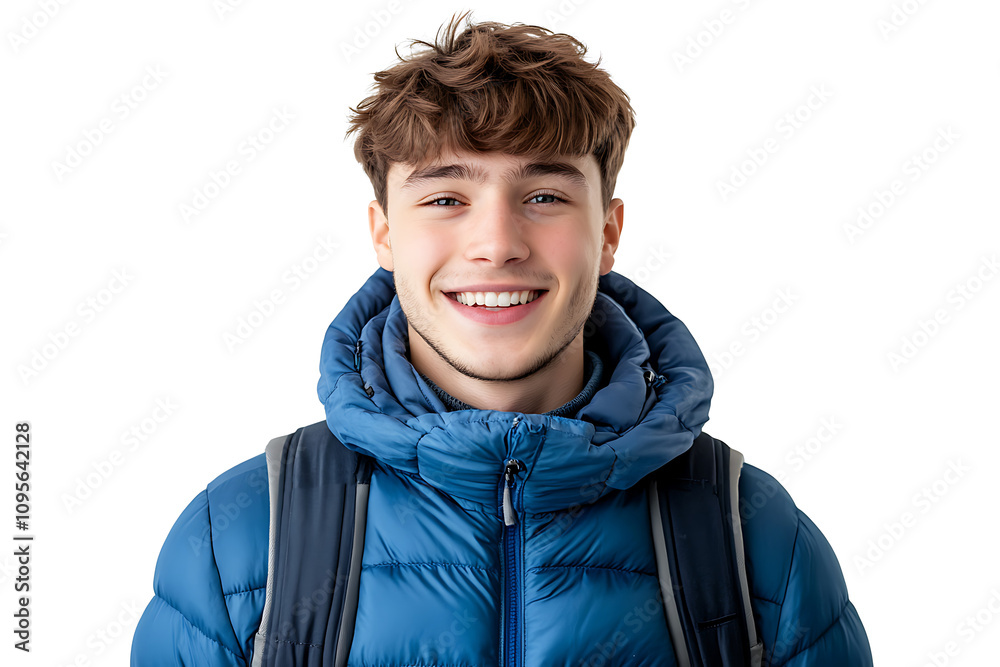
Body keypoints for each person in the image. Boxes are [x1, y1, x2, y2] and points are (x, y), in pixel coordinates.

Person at [131, 11, 873, 666]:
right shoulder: (238, 538)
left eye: (544, 196)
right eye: (446, 198)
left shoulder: (753, 540)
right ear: (384, 233)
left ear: (607, 232)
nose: (496, 243)